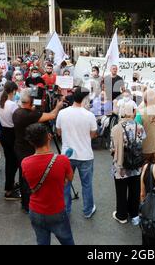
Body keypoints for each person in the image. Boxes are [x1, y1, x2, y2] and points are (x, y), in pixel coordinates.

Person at [22, 124, 74, 245]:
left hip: (35, 211)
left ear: (31, 142)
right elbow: (70, 178)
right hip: (56, 210)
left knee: (42, 242)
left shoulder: (25, 162)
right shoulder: (62, 160)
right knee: (67, 240)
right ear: (49, 137)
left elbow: (30, 181)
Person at [13, 88, 63, 213]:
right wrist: (58, 106)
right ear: (30, 101)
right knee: (29, 177)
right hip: (28, 150)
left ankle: (25, 202)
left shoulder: (17, 112)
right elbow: (52, 115)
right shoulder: (30, 115)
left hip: (19, 147)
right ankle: (29, 203)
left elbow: (32, 113)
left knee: (23, 174)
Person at [56, 87, 98, 218]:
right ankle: (88, 210)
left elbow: (58, 131)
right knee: (87, 184)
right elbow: (93, 134)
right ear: (85, 100)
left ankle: (66, 210)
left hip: (67, 155)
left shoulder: (62, 113)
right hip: (85, 154)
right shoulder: (89, 115)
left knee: (65, 184)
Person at [110, 102, 146, 225]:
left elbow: (112, 148)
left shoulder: (116, 128)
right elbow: (142, 141)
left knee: (121, 190)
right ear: (132, 112)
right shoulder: (139, 126)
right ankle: (134, 214)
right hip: (136, 163)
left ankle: (122, 215)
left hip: (121, 165)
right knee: (135, 189)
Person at [0, 82, 20, 200]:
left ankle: (9, 186)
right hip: (13, 134)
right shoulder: (12, 105)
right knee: (14, 163)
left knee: (9, 162)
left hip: (4, 133)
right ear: (14, 91)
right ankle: (9, 189)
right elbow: (17, 121)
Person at [135, 90, 155, 164]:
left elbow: (136, 130)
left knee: (146, 170)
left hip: (146, 148)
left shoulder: (140, 113)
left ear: (145, 102)